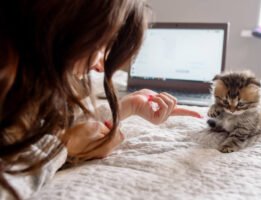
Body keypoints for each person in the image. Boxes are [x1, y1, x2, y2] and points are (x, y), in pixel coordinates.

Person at [0, 0, 202, 199]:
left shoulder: (33, 81)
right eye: (104, 43)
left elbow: (50, 124)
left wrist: (126, 107)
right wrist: (63, 148)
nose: (100, 66)